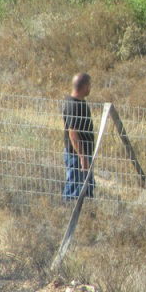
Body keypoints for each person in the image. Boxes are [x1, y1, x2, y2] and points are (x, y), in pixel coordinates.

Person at [62, 72, 95, 200]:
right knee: (74, 189)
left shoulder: (74, 102)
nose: (90, 88)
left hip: (81, 154)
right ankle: (68, 215)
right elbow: (73, 133)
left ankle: (84, 217)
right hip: (76, 156)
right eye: (89, 85)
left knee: (86, 188)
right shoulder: (75, 106)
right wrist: (82, 157)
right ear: (85, 86)